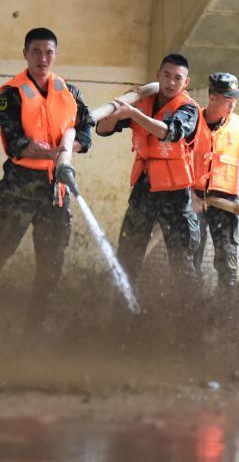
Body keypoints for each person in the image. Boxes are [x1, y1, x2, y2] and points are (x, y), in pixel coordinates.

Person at [0, 27, 93, 328]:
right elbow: (14, 142)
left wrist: (73, 148)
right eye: (35, 52)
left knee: (51, 265)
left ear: (55, 55)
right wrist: (55, 154)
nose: (42, 58)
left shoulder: (70, 91)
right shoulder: (11, 93)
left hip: (57, 191)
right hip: (19, 189)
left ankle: (33, 328)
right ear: (25, 54)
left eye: (48, 52)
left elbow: (86, 128)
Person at [95, 54, 202, 305]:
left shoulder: (188, 109)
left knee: (182, 262)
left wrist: (132, 113)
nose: (171, 83)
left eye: (178, 78)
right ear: (158, 74)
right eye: (166, 76)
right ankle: (121, 319)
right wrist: (119, 110)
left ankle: (194, 324)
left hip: (175, 195)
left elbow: (170, 133)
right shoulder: (143, 101)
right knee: (128, 256)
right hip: (145, 188)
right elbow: (102, 130)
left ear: (186, 82)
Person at [191, 73, 239, 289]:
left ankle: (224, 315)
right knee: (190, 256)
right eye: (227, 99)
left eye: (235, 99)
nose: (233, 104)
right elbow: (177, 160)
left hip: (225, 203)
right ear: (212, 97)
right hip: (193, 198)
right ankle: (188, 309)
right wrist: (190, 195)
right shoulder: (191, 121)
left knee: (228, 262)